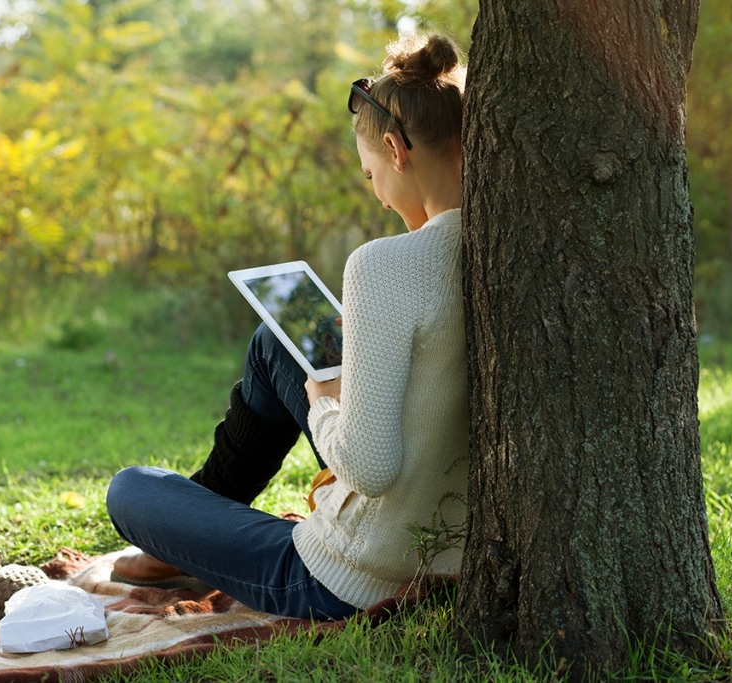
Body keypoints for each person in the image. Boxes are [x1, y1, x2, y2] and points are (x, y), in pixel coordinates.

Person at [105, 33, 469, 621]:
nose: (376, 195)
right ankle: (209, 505)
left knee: (130, 488)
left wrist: (325, 400)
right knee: (279, 341)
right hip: (450, 536)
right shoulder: (511, 249)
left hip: (350, 575)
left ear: (398, 151)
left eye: (371, 174)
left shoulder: (383, 265)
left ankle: (194, 526)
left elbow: (371, 469)